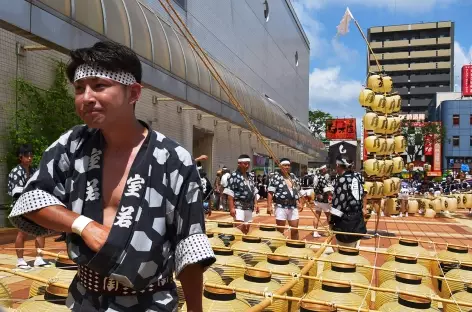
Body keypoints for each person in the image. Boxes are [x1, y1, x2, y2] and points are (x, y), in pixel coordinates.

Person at [8, 41, 215, 311]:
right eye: (80, 89)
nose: (86, 97)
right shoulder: (73, 144)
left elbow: (190, 243)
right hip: (85, 298)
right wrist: (84, 225)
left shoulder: (173, 158)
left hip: (150, 300)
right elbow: (32, 201)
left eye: (100, 86)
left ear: (133, 93)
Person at [7, 144, 48, 269]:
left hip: (34, 204)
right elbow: (16, 192)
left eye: (31, 155)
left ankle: (39, 258)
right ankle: (20, 260)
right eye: (27, 155)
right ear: (20, 157)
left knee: (41, 230)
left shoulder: (35, 170)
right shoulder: (15, 172)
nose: (29, 158)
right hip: (20, 205)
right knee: (22, 232)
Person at [329, 156, 367, 249]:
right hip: (357, 219)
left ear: (338, 165)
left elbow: (339, 204)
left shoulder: (342, 180)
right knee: (353, 248)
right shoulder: (357, 177)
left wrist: (331, 222)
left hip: (346, 221)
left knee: (344, 251)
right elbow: (363, 194)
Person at [267, 158, 302, 239]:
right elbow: (270, 192)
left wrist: (300, 202)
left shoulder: (292, 176)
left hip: (293, 206)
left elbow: (298, 190)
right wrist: (269, 206)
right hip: (280, 206)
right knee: (280, 231)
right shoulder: (275, 177)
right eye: (285, 165)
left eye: (288, 165)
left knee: (295, 229)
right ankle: (280, 248)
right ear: (280, 166)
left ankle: (295, 246)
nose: (287, 167)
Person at [224, 155, 258, 234]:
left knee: (246, 229)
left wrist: (256, 204)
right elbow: (230, 193)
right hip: (238, 206)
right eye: (245, 164)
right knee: (239, 229)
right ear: (239, 164)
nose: (247, 166)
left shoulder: (250, 176)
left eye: (248, 164)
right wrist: (232, 208)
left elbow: (254, 191)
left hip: (249, 206)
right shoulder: (233, 176)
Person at [312, 165, 332, 238]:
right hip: (324, 200)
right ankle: (330, 231)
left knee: (317, 215)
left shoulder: (316, 177)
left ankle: (315, 231)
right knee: (329, 215)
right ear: (323, 170)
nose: (326, 169)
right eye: (325, 168)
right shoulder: (323, 178)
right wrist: (332, 196)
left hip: (317, 199)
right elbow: (327, 190)